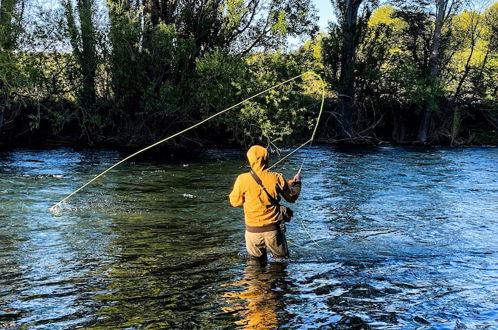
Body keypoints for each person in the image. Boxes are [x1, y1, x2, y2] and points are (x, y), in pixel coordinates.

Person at [229, 145, 302, 264]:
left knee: (255, 268)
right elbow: (292, 197)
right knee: (281, 264)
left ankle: (257, 282)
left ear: (250, 159)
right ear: (266, 158)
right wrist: (297, 183)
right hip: (273, 231)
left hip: (252, 233)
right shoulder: (277, 177)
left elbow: (234, 202)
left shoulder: (242, 179)